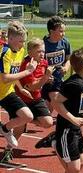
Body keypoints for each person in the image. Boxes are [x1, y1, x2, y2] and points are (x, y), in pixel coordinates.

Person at [1, 38, 54, 162]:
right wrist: (46, 77)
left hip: (36, 98)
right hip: (22, 99)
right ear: (30, 52)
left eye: (43, 51)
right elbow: (33, 86)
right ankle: (7, 151)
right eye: (38, 51)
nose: (42, 54)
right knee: (19, 130)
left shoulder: (44, 63)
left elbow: (39, 84)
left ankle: (27, 120)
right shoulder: (25, 64)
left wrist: (47, 78)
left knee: (48, 122)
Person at [0, 21, 37, 149]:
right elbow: (5, 78)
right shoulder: (5, 53)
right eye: (20, 41)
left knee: (28, 116)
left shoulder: (20, 51)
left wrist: (21, 89)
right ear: (10, 39)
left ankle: (5, 128)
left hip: (6, 93)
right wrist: (27, 71)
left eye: (24, 41)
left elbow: (13, 74)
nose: (23, 45)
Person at [41, 16, 72, 112]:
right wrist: (44, 76)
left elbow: (69, 59)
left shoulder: (65, 43)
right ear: (51, 31)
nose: (63, 34)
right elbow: (38, 64)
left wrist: (66, 67)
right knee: (52, 107)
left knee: (51, 110)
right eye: (61, 31)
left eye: (64, 31)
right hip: (46, 82)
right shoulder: (43, 45)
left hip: (59, 81)